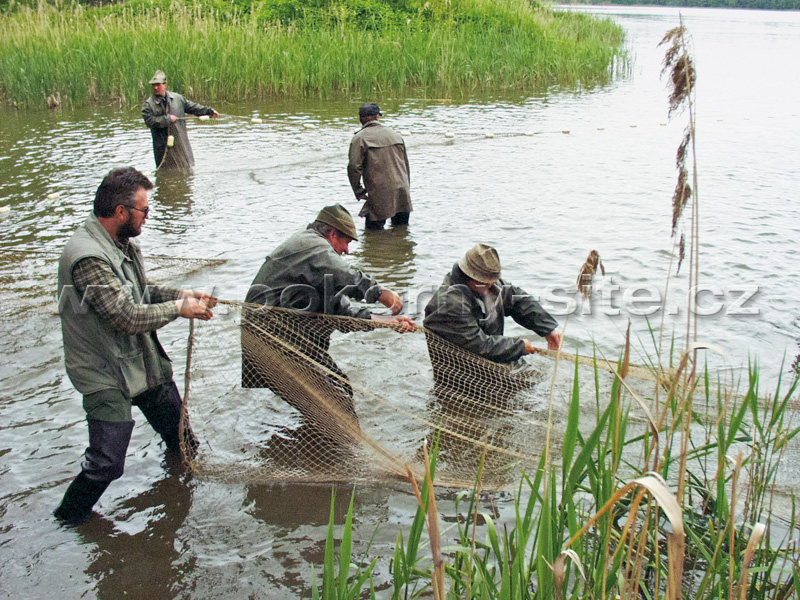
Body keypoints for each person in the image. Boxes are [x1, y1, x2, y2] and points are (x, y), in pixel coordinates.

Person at [54, 167, 216, 525]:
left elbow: (141, 291)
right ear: (121, 212)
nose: (148, 217)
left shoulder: (121, 246)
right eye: (145, 211)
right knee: (106, 464)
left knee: (182, 438)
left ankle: (178, 495)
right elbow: (125, 316)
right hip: (105, 373)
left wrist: (183, 294)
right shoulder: (88, 257)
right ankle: (67, 521)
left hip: (140, 363)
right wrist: (179, 308)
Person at [243, 204, 416, 429]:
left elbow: (343, 312)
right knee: (338, 411)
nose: (347, 250)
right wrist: (380, 292)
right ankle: (337, 451)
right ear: (332, 234)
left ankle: (315, 448)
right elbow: (344, 274)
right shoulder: (310, 245)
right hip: (271, 344)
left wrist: (390, 322)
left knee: (341, 388)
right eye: (346, 242)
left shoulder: (315, 264)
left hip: (294, 341)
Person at [424, 243, 562, 364]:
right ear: (470, 277)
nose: (492, 285)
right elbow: (477, 344)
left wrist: (547, 328)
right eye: (485, 281)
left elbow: (518, 300)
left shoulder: (490, 286)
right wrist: (518, 347)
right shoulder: (449, 304)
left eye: (493, 280)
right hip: (459, 367)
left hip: (492, 358)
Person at [347, 103, 412, 230]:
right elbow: (406, 165)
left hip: (379, 193)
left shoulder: (359, 138)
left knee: (373, 233)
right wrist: (406, 187)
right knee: (401, 231)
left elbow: (354, 168)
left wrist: (358, 191)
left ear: (360, 119)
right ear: (377, 117)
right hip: (402, 191)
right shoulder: (395, 135)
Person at [141, 69, 219, 170]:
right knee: (165, 171)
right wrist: (167, 119)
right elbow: (149, 121)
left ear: (165, 84)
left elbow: (193, 107)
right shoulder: (148, 105)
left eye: (158, 85)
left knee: (185, 168)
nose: (155, 88)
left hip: (180, 143)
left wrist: (209, 111)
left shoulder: (177, 99)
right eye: (153, 85)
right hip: (163, 147)